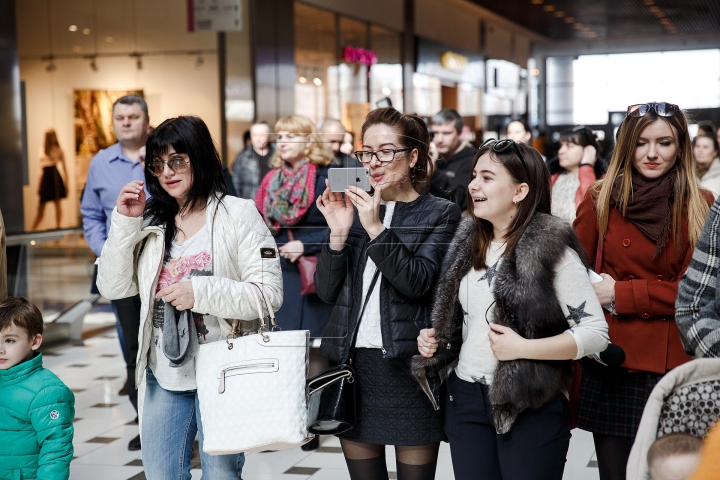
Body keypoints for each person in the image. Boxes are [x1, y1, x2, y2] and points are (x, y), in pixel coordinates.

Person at [96, 115, 283, 479]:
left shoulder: (238, 214)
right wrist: (123, 222)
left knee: (221, 475)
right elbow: (113, 288)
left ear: (199, 157)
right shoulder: (151, 219)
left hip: (224, 370)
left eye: (177, 160)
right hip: (164, 371)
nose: (167, 171)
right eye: (158, 163)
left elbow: (268, 294)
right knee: (162, 474)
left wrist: (200, 291)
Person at [413, 139, 609, 480]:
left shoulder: (551, 250)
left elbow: (596, 333)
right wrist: (434, 341)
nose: (473, 185)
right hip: (466, 398)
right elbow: (467, 320)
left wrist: (523, 348)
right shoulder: (468, 240)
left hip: (528, 402)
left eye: (487, 177)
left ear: (519, 191)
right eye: (474, 176)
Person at [315, 107, 461, 480]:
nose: (373, 163)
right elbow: (327, 291)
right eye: (366, 153)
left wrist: (377, 228)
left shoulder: (440, 213)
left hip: (408, 368)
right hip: (353, 368)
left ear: (413, 156)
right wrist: (337, 235)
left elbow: (418, 282)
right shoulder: (354, 207)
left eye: (385, 152)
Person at [573, 102, 713, 480]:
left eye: (664, 142)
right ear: (625, 146)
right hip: (613, 362)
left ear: (680, 147)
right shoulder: (600, 199)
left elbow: (695, 293)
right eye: (641, 142)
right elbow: (571, 275)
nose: (652, 153)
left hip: (676, 365)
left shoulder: (701, 204)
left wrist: (620, 295)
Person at [80, 94, 149, 450]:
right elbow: (90, 213)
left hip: (163, 268)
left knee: (167, 344)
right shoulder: (100, 163)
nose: (125, 122)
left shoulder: (162, 157)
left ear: (145, 120)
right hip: (122, 272)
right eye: (119, 117)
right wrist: (104, 251)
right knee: (133, 347)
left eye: (132, 116)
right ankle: (145, 421)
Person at [255, 115, 335, 337]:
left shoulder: (325, 178)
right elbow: (258, 224)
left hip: (315, 270)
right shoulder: (271, 180)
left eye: (291, 136)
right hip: (280, 274)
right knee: (282, 343)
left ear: (309, 142)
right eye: (280, 136)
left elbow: (343, 227)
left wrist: (304, 244)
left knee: (315, 346)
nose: (283, 142)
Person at [0, 296, 74, 480]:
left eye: (9, 340)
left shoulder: (47, 392)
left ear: (34, 341)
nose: (0, 349)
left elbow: (56, 450)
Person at [552, 126, 604, 223]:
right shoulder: (553, 177)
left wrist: (586, 167)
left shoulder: (602, 180)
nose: (561, 151)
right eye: (561, 146)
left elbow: (592, 210)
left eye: (569, 146)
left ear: (588, 150)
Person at [429, 108, 476, 212]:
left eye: (446, 133)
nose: (439, 139)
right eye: (435, 133)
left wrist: (435, 173)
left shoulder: (471, 159)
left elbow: (461, 200)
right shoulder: (432, 155)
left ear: (459, 133)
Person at [32, 129, 68, 230]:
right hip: (46, 177)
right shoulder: (42, 150)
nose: (53, 139)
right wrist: (39, 185)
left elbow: (65, 168)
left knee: (57, 204)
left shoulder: (58, 150)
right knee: (41, 207)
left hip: (54, 177)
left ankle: (58, 227)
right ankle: (32, 230)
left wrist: (67, 183)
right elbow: (41, 169)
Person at [231, 120, 274, 199]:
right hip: (252, 205)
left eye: (261, 135)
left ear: (269, 136)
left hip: (276, 205)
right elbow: (235, 185)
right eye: (255, 135)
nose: (258, 138)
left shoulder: (279, 155)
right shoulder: (242, 158)